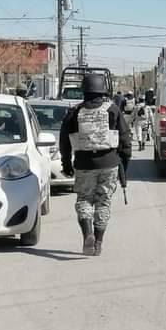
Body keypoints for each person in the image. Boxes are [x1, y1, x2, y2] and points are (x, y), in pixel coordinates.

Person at [60, 74, 132, 256]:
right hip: (109, 163)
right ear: (103, 90)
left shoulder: (75, 112)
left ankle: (88, 235)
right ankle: (98, 243)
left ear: (84, 90)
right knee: (103, 202)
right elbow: (125, 141)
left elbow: (64, 142)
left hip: (84, 164)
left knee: (84, 199)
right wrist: (124, 165)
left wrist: (66, 163)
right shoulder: (113, 110)